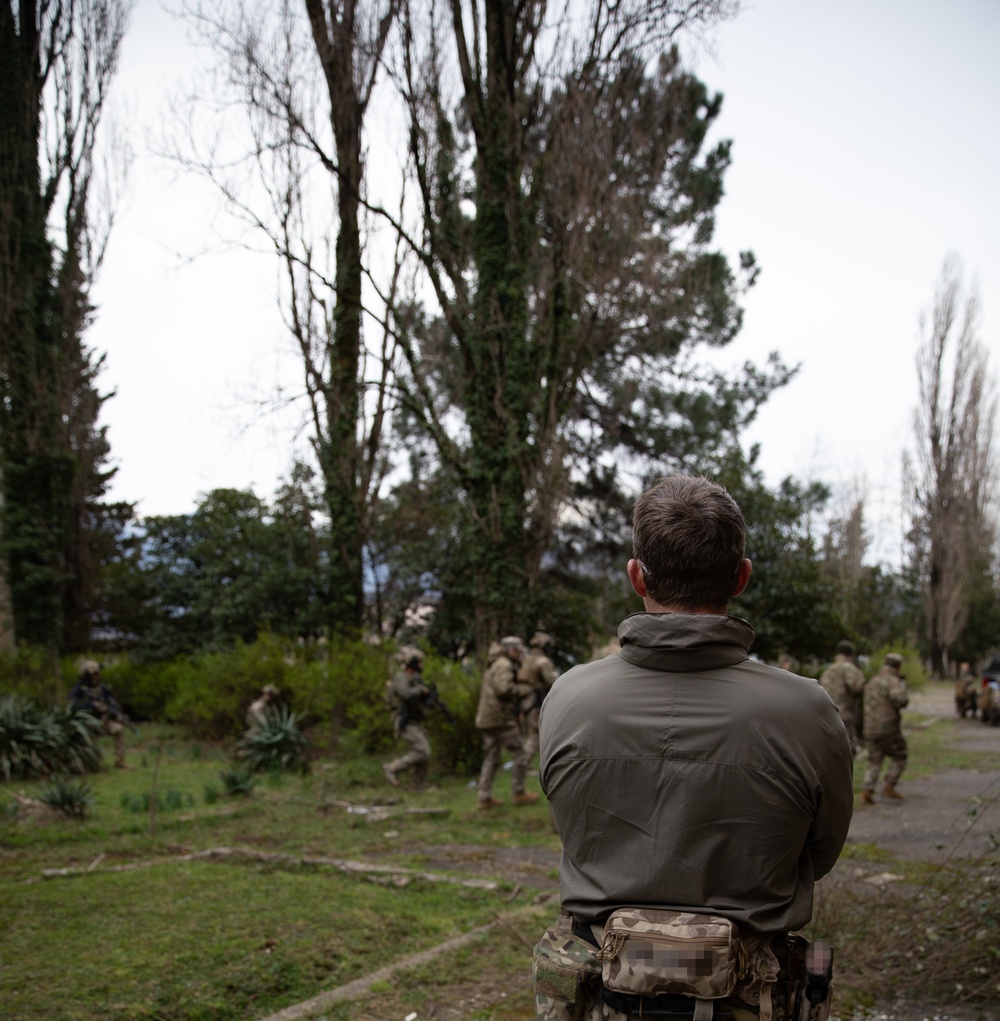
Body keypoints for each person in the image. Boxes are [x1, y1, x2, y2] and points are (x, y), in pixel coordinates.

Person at [535, 475, 854, 1021]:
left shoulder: (569, 696)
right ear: (741, 577)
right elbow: (820, 849)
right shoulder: (809, 710)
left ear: (636, 576)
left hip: (599, 996)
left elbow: (570, 824)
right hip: (747, 997)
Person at [475, 635, 539, 809]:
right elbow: (503, 689)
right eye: (518, 651)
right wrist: (524, 689)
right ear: (511, 650)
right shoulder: (504, 665)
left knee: (491, 758)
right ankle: (519, 792)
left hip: (488, 718)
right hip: (501, 719)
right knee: (519, 755)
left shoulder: (496, 663)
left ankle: (484, 796)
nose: (519, 655)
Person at [860, 652, 909, 804]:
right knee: (901, 754)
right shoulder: (892, 681)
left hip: (870, 726)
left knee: (874, 759)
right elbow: (901, 700)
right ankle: (890, 784)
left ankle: (867, 789)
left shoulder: (873, 680)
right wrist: (903, 688)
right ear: (898, 666)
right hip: (888, 728)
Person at [383, 646, 433, 788]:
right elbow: (405, 694)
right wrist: (420, 690)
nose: (422, 665)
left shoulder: (416, 680)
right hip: (404, 721)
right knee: (423, 751)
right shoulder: (401, 678)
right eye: (420, 662)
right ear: (412, 663)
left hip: (415, 721)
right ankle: (393, 767)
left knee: (424, 755)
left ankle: (417, 785)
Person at [69, 660, 130, 768]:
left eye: (98, 674)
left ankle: (120, 760)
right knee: (88, 741)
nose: (98, 676)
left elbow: (111, 703)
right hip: (85, 725)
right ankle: (89, 764)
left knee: (118, 729)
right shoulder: (79, 690)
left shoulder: (102, 689)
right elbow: (73, 706)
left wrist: (115, 714)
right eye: (95, 674)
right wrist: (91, 705)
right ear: (87, 675)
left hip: (103, 722)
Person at [518, 631, 559, 768]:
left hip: (525, 700)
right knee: (534, 734)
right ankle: (524, 763)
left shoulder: (526, 659)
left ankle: (524, 762)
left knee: (529, 733)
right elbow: (552, 681)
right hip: (536, 700)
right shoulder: (543, 662)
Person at [819, 640, 866, 756]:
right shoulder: (848, 668)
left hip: (825, 717)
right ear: (851, 655)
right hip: (844, 718)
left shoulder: (827, 671)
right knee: (848, 753)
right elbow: (857, 687)